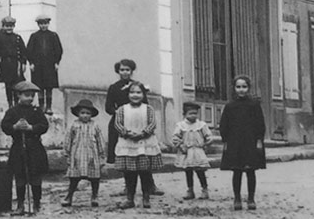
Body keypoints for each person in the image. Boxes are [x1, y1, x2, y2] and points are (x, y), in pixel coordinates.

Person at [219, 75, 266, 211]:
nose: (241, 90)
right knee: (237, 171)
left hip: (250, 142)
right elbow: (224, 125)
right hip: (235, 143)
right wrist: (225, 141)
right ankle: (237, 198)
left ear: (248, 88)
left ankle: (251, 198)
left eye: (244, 87)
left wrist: (259, 140)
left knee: (250, 171)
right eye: (238, 87)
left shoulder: (254, 105)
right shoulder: (230, 106)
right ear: (234, 88)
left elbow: (260, 124)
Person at [1, 80, 49, 215]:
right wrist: (14, 127)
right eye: (26, 95)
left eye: (31, 96)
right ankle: (20, 205)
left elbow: (44, 126)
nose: (30, 98)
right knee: (20, 176)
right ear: (18, 96)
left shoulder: (36, 111)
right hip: (18, 148)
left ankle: (37, 204)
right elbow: (5, 126)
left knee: (35, 177)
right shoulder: (12, 111)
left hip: (34, 147)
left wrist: (31, 128)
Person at [113, 81, 162, 210]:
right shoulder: (122, 109)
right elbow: (117, 124)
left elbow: (152, 124)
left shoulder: (148, 109)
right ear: (128, 94)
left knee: (145, 172)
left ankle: (146, 197)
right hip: (128, 143)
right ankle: (130, 198)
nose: (135, 95)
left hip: (144, 143)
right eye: (132, 92)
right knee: (130, 173)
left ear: (143, 94)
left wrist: (142, 133)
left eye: (138, 92)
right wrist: (127, 133)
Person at [62, 98, 104, 208]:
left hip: (91, 156)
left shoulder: (95, 126)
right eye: (82, 113)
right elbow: (68, 139)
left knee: (95, 178)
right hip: (77, 156)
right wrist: (67, 153)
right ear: (77, 114)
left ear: (91, 115)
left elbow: (100, 141)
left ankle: (95, 196)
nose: (85, 115)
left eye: (88, 113)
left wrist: (102, 154)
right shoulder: (73, 125)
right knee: (74, 178)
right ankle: (69, 196)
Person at [172, 102, 212, 200]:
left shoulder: (201, 125)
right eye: (190, 113)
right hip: (187, 152)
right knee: (188, 172)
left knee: (200, 171)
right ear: (185, 114)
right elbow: (175, 137)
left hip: (198, 151)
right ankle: (190, 190)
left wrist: (207, 143)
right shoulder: (181, 125)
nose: (193, 115)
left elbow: (208, 136)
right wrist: (180, 145)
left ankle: (204, 189)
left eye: (195, 113)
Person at [26, 14, 63, 114]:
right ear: (38, 25)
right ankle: (41, 106)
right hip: (38, 66)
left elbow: (58, 50)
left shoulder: (53, 36)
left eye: (45, 23)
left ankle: (49, 107)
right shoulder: (34, 36)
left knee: (49, 86)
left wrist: (56, 62)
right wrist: (31, 63)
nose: (43, 26)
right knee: (40, 86)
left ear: (48, 24)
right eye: (41, 24)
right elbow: (29, 51)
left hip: (50, 65)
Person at [0, 16, 28, 108]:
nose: (9, 28)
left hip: (15, 64)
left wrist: (23, 63)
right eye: (7, 26)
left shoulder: (17, 38)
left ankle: (16, 102)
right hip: (5, 64)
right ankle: (10, 104)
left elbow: (24, 52)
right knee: (8, 85)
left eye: (11, 26)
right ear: (3, 26)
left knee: (16, 84)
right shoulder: (0, 38)